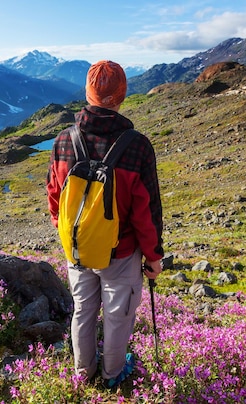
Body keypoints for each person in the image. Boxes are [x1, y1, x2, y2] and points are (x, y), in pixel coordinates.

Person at [46, 60, 164, 388]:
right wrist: (154, 256)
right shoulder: (137, 146)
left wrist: (70, 234)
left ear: (88, 92)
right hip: (121, 252)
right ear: (122, 95)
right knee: (118, 316)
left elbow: (54, 196)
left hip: (78, 250)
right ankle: (113, 375)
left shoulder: (63, 141)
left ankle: (83, 375)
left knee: (83, 312)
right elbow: (147, 210)